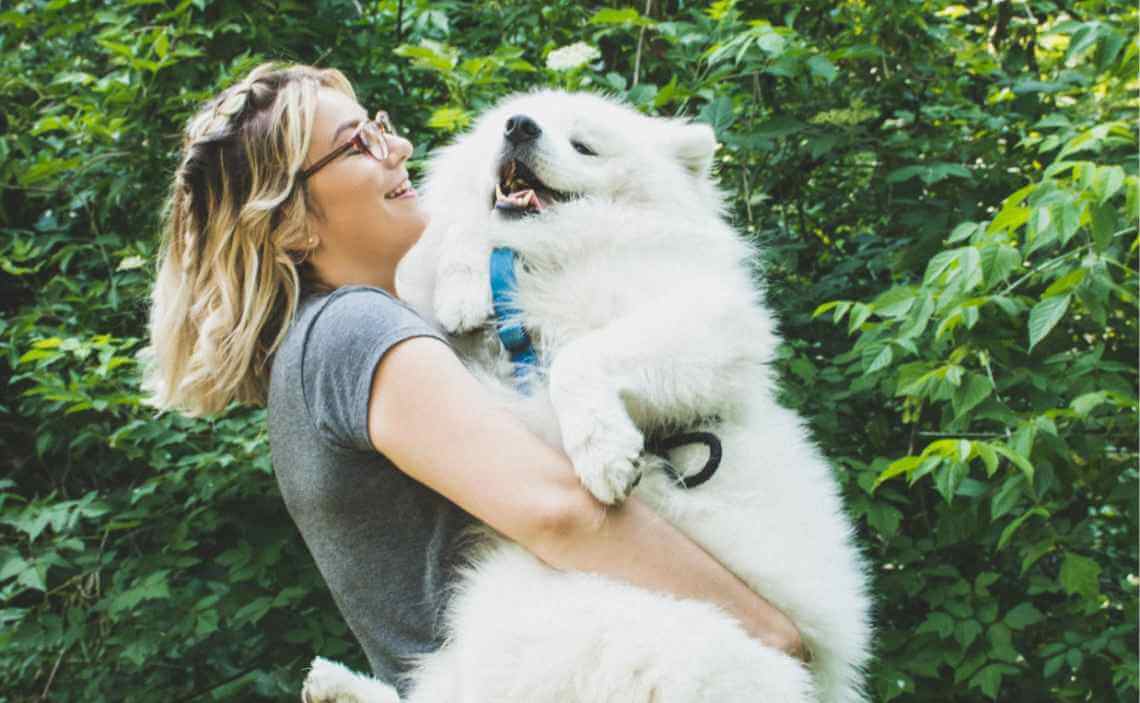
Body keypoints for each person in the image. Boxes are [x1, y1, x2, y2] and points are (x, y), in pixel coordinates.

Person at [143, 62, 806, 696]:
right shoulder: (356, 330)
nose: (398, 147)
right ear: (289, 219)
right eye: (358, 146)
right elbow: (560, 511)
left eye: (380, 125)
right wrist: (768, 629)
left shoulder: (326, 337)